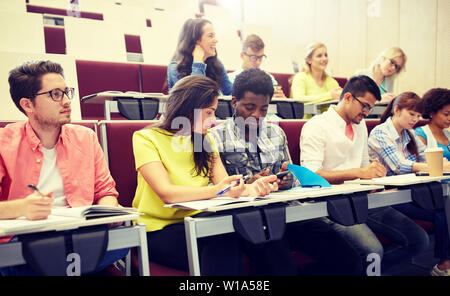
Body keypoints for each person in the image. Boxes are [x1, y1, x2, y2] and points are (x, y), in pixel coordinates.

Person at [132, 74, 300, 276]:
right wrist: (218, 191)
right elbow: (167, 193)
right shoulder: (145, 138)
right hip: (161, 229)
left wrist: (255, 187)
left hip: (204, 220)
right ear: (188, 108)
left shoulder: (204, 139)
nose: (213, 120)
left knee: (263, 233)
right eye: (209, 112)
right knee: (222, 240)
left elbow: (227, 185)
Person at [211, 67, 366, 276]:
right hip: (249, 220)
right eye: (249, 107)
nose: (257, 115)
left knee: (349, 259)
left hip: (289, 213)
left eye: (263, 109)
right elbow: (213, 189)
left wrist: (287, 180)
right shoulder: (215, 137)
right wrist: (249, 186)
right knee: (282, 269)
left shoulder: (276, 132)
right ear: (234, 102)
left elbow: (293, 175)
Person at [0, 60, 128, 276]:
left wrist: (109, 212)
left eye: (67, 92)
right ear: (27, 104)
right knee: (24, 258)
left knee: (123, 239)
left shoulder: (85, 137)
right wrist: (22, 208)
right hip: (27, 238)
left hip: (81, 234)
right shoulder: (4, 142)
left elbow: (105, 191)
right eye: (55, 94)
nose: (67, 101)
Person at [300, 75, 429, 273]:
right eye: (365, 106)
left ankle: (366, 272)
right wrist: (360, 172)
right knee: (373, 251)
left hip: (362, 199)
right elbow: (310, 176)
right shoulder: (316, 126)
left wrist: (373, 173)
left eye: (371, 108)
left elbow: (363, 167)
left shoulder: (360, 126)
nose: (367, 113)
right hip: (330, 205)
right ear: (349, 97)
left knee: (418, 240)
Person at [368, 91, 450, 276]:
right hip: (386, 196)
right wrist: (436, 165)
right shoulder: (381, 132)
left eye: (419, 116)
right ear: (397, 110)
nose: (415, 119)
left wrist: (442, 165)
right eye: (411, 114)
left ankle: (444, 263)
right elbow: (399, 166)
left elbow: (427, 154)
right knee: (443, 212)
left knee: (445, 208)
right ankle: (444, 264)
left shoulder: (409, 133)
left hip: (408, 193)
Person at [167, 18, 232, 95]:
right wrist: (198, 62)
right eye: (210, 36)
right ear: (196, 40)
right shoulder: (175, 67)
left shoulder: (216, 64)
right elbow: (196, 98)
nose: (216, 40)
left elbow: (230, 93)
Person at [415, 88, 450, 161]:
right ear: (432, 113)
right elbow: (421, 162)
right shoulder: (420, 134)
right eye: (446, 114)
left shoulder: (447, 134)